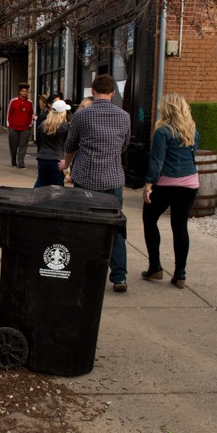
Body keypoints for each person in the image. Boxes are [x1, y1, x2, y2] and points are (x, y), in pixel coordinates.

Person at [58, 74, 131, 292]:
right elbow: (124, 146)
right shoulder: (124, 117)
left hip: (86, 178)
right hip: (113, 179)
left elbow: (70, 145)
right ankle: (119, 276)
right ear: (113, 92)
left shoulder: (82, 115)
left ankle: (85, 272)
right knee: (115, 227)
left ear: (93, 91)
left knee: (84, 228)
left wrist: (66, 165)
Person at [142, 93, 199, 289]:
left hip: (167, 183)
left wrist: (149, 184)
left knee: (149, 219)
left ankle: (155, 267)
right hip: (190, 183)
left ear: (167, 109)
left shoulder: (163, 131)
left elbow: (157, 161)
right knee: (180, 225)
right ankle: (180, 273)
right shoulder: (192, 131)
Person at [35, 98, 71, 187]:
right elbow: (69, 144)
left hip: (42, 159)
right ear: (63, 112)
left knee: (43, 188)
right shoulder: (66, 127)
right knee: (57, 189)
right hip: (57, 160)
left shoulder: (43, 125)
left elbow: (38, 141)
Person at [7, 82, 34, 168]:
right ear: (19, 91)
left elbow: (31, 114)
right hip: (13, 128)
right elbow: (9, 114)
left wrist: (30, 125)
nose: (24, 93)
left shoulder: (30, 102)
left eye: (26, 91)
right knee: (13, 147)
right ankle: (14, 162)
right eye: (23, 91)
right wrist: (9, 126)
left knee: (23, 147)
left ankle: (21, 163)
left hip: (25, 128)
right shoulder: (13, 101)